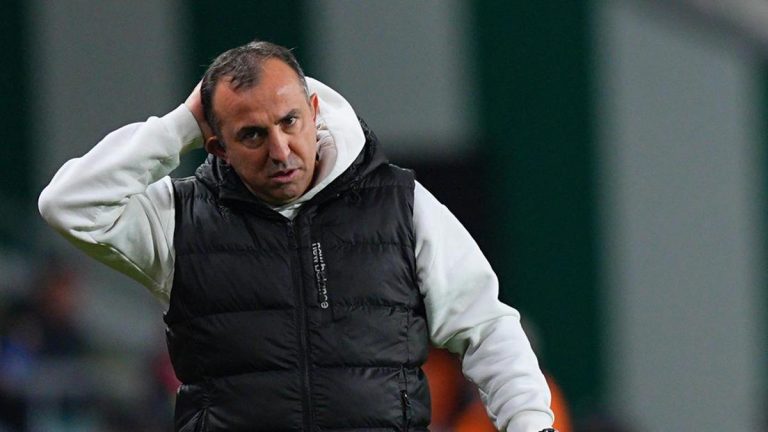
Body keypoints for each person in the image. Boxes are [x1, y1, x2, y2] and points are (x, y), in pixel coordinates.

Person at [39, 40, 557, 432]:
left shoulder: (401, 203)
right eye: (252, 135)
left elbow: (488, 328)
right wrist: (180, 125)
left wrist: (531, 425)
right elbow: (68, 204)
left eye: (289, 122)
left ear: (314, 111)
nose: (281, 150)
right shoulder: (177, 218)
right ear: (216, 146)